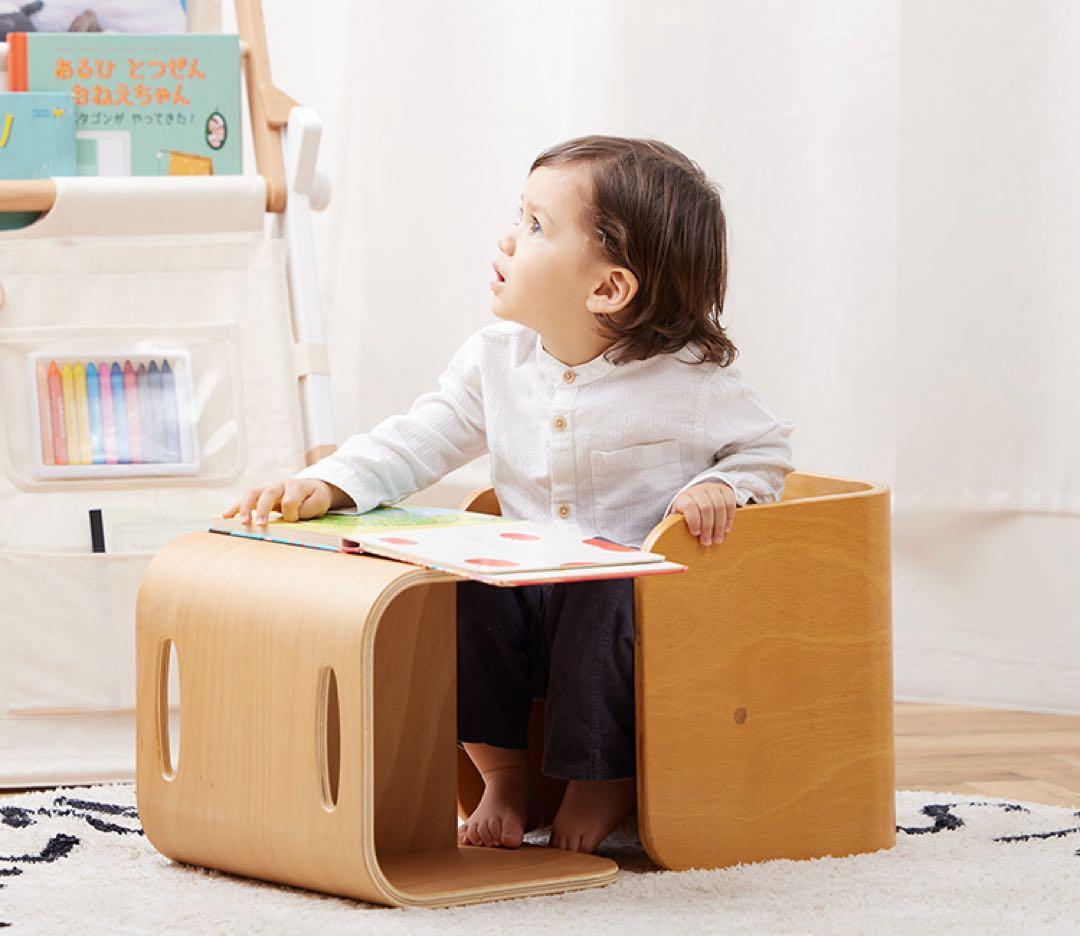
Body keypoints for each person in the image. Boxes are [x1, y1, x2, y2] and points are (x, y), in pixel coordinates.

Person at [223, 135, 794, 855]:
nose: (507, 237)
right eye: (518, 216)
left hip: (637, 610)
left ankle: (601, 780)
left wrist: (721, 485)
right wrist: (331, 480)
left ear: (608, 289)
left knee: (598, 587)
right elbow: (418, 437)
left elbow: (765, 450)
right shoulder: (496, 361)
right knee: (465, 590)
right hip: (530, 589)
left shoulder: (690, 380)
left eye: (535, 225)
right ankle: (502, 774)